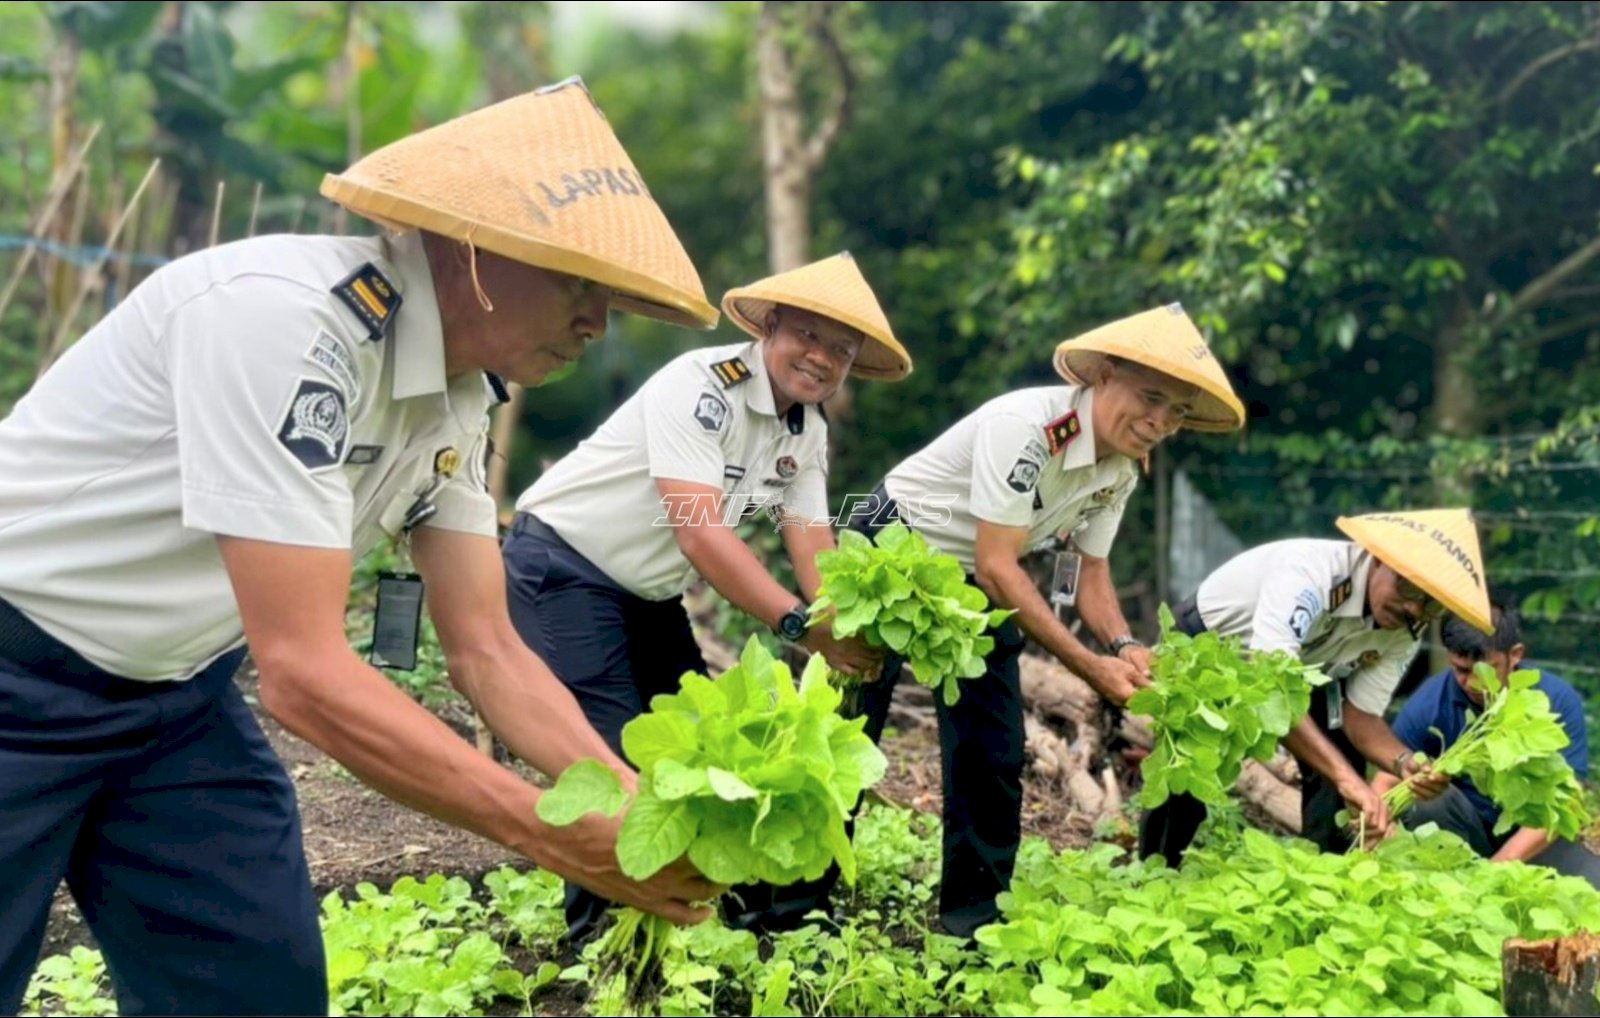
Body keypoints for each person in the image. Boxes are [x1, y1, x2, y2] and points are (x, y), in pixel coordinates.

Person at [0, 78, 724, 1016]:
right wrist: (547, 833)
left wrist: (628, 799)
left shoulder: (462, 395)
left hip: (174, 704)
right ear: (472, 249)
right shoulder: (286, 323)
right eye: (579, 283)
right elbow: (302, 671)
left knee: (257, 994)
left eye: (611, 300)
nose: (596, 322)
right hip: (16, 674)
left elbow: (488, 649)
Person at [501, 252, 912, 939]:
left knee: (703, 743)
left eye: (840, 351)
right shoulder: (702, 387)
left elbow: (811, 540)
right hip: (564, 566)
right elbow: (699, 533)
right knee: (609, 754)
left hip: (647, 592)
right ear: (771, 328)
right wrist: (800, 624)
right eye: (809, 336)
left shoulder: (807, 431)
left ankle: (693, 918)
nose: (820, 359)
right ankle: (597, 945)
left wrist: (846, 624)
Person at [814, 303, 1245, 937]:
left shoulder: (1121, 468)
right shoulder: (1030, 428)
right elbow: (999, 565)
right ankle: (793, 910)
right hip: (895, 546)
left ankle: (974, 924)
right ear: (1102, 375)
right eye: (1149, 398)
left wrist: (1124, 645)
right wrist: (1088, 664)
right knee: (845, 731)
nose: (1159, 421)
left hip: (975, 576)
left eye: (1176, 411)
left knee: (994, 747)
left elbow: (1089, 572)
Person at [1138, 508, 1493, 866]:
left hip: (1307, 668)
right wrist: (1347, 779)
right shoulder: (1309, 574)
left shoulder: (1404, 631)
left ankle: (1328, 877)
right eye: (1409, 588)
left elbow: (1361, 716)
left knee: (1341, 772)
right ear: (1378, 558)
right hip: (1213, 648)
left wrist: (1403, 763)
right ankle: (1156, 874)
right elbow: (1274, 687)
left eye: (1431, 605)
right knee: (1185, 773)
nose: (1414, 607)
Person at [1378, 604, 1600, 886]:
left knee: (1592, 887)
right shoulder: (1432, 699)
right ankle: (1447, 879)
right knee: (1426, 792)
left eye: (1486, 670)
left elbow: (1568, 801)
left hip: (1534, 837)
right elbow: (1386, 778)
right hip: (1464, 832)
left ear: (1515, 655)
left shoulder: (1556, 699)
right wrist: (1378, 827)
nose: (1471, 683)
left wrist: (1495, 870)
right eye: (1460, 670)